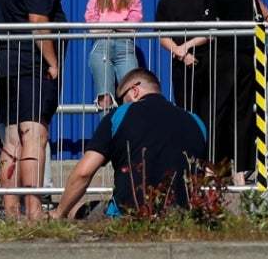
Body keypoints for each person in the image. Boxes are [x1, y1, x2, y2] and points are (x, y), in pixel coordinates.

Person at [53, 66, 212, 217]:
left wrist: (58, 213)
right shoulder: (195, 121)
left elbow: (83, 173)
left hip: (129, 216)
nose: (122, 104)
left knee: (76, 209)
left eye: (122, 99)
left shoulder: (120, 115)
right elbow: (208, 175)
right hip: (184, 217)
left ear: (135, 90)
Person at [0, 0, 66, 220]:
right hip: (29, 66)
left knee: (11, 140)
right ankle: (34, 211)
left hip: (5, 64)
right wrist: (53, 62)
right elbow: (38, 23)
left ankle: (11, 211)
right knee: (34, 136)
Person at [198, 0, 263, 181]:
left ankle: (210, 166)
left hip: (225, 56)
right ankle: (241, 170)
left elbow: (209, 27)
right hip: (246, 56)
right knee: (244, 112)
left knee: (217, 110)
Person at [154, 0, 213, 115]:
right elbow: (161, 34)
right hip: (181, 64)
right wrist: (180, 52)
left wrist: (186, 47)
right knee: (185, 111)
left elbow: (213, 29)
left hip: (209, 61)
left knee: (209, 111)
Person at [83, 0, 144, 102]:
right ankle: (107, 125)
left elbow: (133, 27)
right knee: (105, 97)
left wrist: (107, 26)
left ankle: (128, 125)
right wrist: (119, 26)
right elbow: (91, 27)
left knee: (131, 94)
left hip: (125, 48)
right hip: (102, 48)